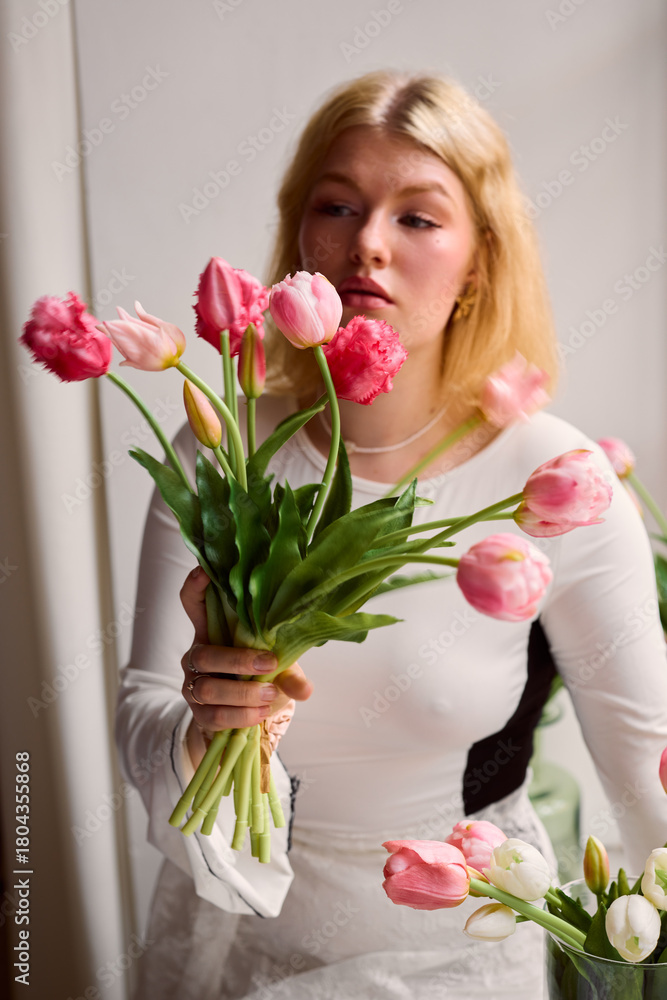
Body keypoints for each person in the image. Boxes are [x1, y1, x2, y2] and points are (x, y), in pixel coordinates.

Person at [116, 71, 667, 999]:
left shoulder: (556, 483)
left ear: (480, 259)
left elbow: (648, 766)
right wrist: (206, 727)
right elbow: (139, 714)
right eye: (337, 206)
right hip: (229, 927)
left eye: (417, 217)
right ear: (300, 236)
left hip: (455, 944)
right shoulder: (223, 447)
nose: (367, 243)